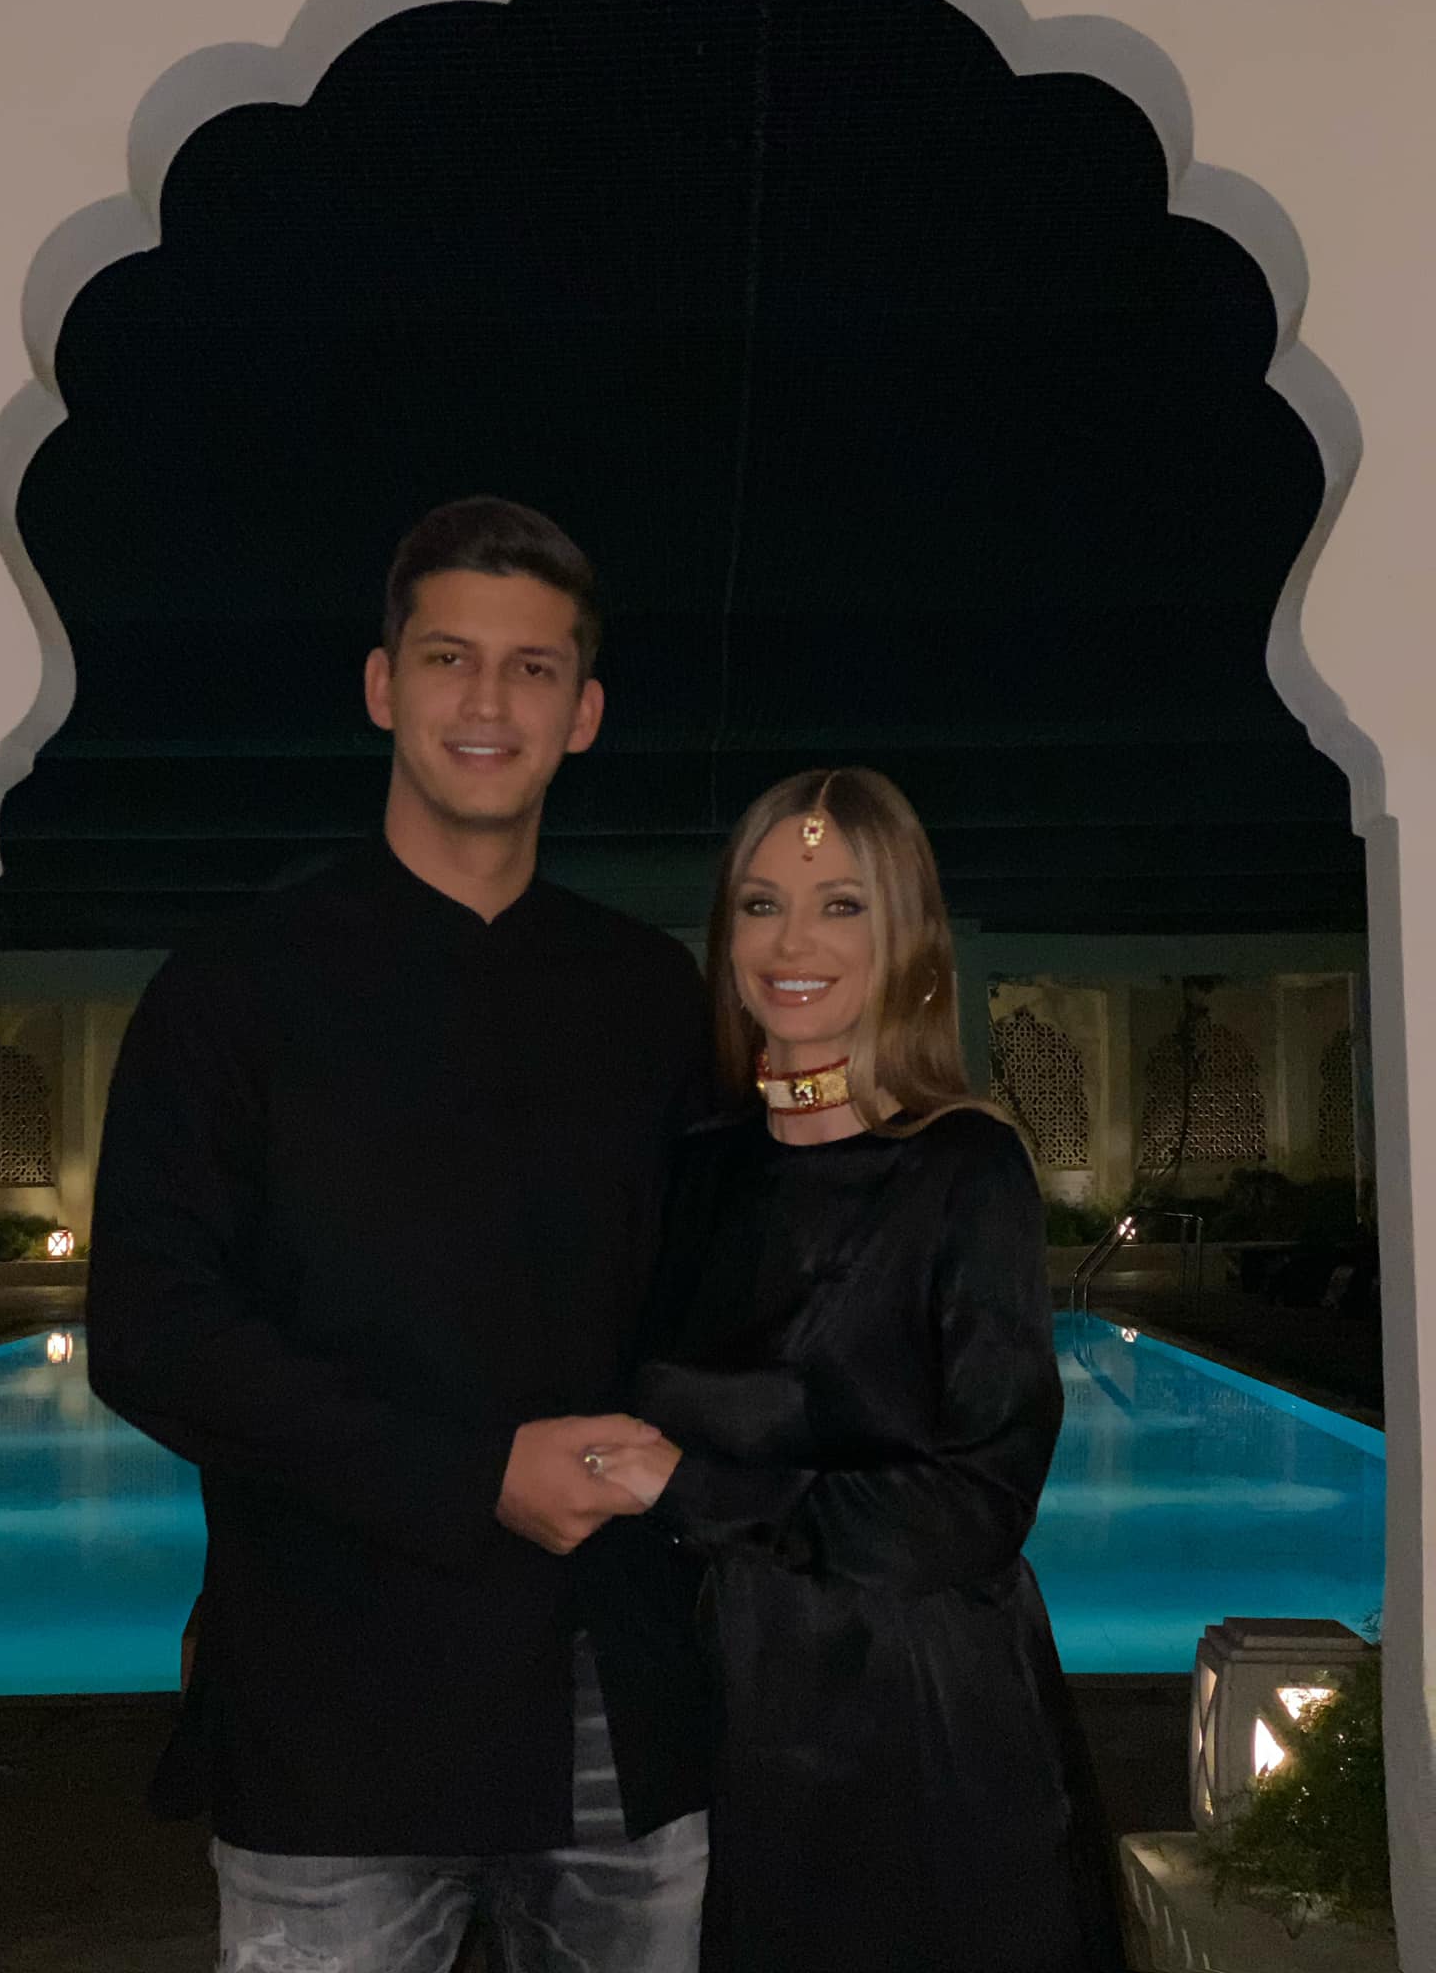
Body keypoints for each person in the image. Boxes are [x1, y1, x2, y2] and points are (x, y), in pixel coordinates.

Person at [85, 498, 712, 1973]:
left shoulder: (648, 999)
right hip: (335, 1729)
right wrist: (473, 1472)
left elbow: (719, 1299)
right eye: (448, 657)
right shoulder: (234, 991)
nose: (488, 701)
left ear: (584, 713)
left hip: (612, 1719)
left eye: (533, 667)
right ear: (383, 686)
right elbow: (153, 1331)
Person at [594, 767, 1129, 1973]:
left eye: (842, 904)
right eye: (762, 903)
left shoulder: (961, 1167)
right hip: (718, 1705)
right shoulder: (703, 1168)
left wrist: (693, 1486)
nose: (793, 943)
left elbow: (977, 1507)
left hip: (913, 1717)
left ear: (909, 941)